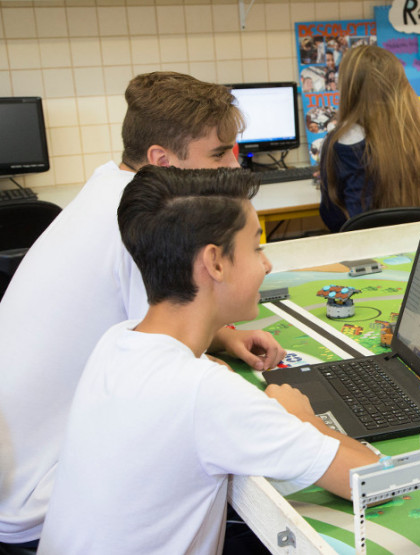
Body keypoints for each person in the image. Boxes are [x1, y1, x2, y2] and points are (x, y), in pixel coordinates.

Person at [0, 71, 286, 549]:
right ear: (161, 160)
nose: (233, 162)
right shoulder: (142, 229)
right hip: (40, 499)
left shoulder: (110, 188)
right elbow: (171, 376)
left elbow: (153, 316)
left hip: (23, 464)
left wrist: (222, 335)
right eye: (218, 153)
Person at [37, 166, 378, 554]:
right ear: (215, 262)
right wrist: (301, 418)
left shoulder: (117, 340)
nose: (266, 265)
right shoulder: (205, 393)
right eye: (256, 248)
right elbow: (371, 478)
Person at [318, 45, 420, 232]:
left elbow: (333, 217)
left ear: (349, 89)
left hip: (364, 252)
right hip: (419, 247)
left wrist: (330, 172)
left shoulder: (339, 142)